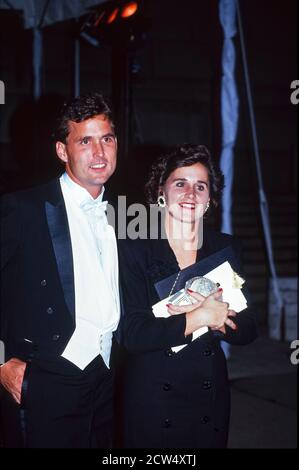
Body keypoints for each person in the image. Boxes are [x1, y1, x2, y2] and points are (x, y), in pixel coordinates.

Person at [0, 92, 120, 448]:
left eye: (107, 139)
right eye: (85, 141)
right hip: (48, 374)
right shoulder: (22, 207)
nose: (99, 153)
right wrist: (2, 362)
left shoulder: (125, 211)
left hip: (108, 374)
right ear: (62, 151)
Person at [118, 144, 258, 448]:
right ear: (161, 192)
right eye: (180, 183)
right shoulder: (134, 249)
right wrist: (198, 318)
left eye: (200, 186)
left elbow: (249, 327)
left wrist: (223, 323)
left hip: (208, 392)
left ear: (210, 199)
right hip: (152, 393)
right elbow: (132, 333)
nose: (190, 194)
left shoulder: (225, 248)